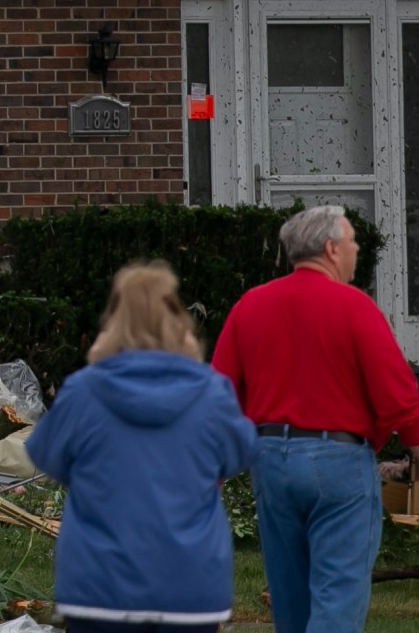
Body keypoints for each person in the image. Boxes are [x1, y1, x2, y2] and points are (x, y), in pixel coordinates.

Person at [212, 206, 419, 633]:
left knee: (289, 597)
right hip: (338, 461)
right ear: (330, 249)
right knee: (337, 593)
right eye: (351, 243)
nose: (356, 250)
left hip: (270, 458)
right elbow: (401, 397)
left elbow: (219, 397)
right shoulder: (354, 307)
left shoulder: (250, 306)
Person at [27, 262, 256, 633]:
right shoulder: (211, 392)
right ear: (178, 320)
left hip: (98, 587)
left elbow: (45, 455)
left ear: (113, 321)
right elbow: (239, 454)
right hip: (190, 586)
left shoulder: (85, 391)